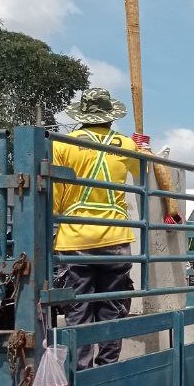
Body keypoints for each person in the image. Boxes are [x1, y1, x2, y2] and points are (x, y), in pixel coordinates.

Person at [52, 88, 141, 369]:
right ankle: (107, 371)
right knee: (111, 310)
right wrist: (140, 148)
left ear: (82, 116)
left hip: (75, 239)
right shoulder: (126, 145)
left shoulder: (62, 143)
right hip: (116, 238)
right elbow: (145, 173)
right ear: (110, 118)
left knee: (78, 312)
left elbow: (54, 198)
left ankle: (79, 374)